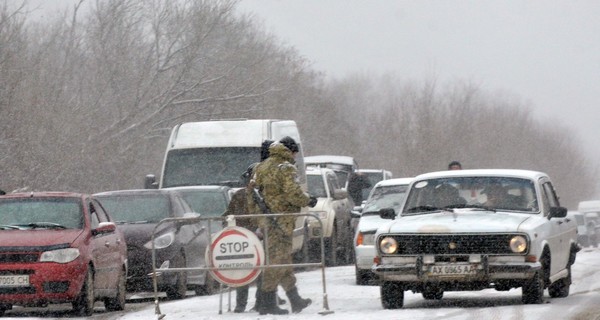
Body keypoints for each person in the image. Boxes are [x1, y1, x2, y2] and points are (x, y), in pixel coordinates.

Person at [250, 136, 317, 315]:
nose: (295, 157)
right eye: (294, 153)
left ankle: (294, 299)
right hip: (281, 221)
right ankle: (266, 301)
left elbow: (252, 194)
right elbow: (293, 193)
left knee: (283, 260)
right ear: (289, 151)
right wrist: (309, 200)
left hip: (267, 220)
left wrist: (259, 218)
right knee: (277, 262)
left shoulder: (260, 167)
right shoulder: (286, 168)